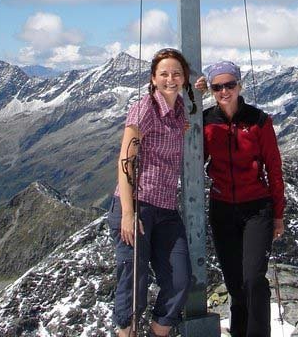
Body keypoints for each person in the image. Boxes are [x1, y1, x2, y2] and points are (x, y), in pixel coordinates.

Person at [108, 48, 195, 337]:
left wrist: (205, 85)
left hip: (167, 209)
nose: (171, 79)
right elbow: (125, 162)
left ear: (184, 78)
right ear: (153, 79)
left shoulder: (181, 108)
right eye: (164, 74)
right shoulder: (144, 108)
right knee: (134, 285)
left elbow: (197, 92)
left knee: (179, 279)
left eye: (176, 73)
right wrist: (129, 214)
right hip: (137, 204)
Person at [196, 61, 285, 337]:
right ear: (211, 90)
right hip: (222, 209)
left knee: (253, 279)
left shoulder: (259, 121)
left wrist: (278, 215)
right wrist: (193, 98)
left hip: (257, 208)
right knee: (235, 284)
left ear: (239, 85)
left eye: (230, 85)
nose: (225, 91)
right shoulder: (206, 121)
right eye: (217, 86)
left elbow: (274, 168)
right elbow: (195, 156)